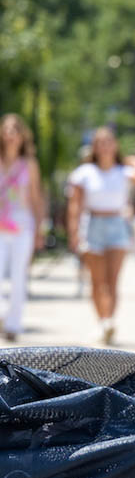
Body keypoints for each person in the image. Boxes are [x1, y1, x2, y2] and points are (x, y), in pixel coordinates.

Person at [66, 126, 135, 344]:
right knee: (97, 280)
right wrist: (73, 232)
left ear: (115, 145)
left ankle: (110, 321)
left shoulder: (123, 171)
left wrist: (130, 159)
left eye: (108, 142)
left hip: (117, 224)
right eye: (100, 142)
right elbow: (74, 205)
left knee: (112, 280)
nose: (104, 146)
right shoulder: (84, 173)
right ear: (94, 147)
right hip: (93, 224)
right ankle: (101, 321)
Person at [0, 114, 45, 341]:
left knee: (19, 276)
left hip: (22, 226)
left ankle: (13, 325)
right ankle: (2, 313)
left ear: (22, 136)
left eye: (15, 130)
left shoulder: (29, 164)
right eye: (7, 129)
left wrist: (39, 229)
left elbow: (36, 198)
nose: (11, 134)